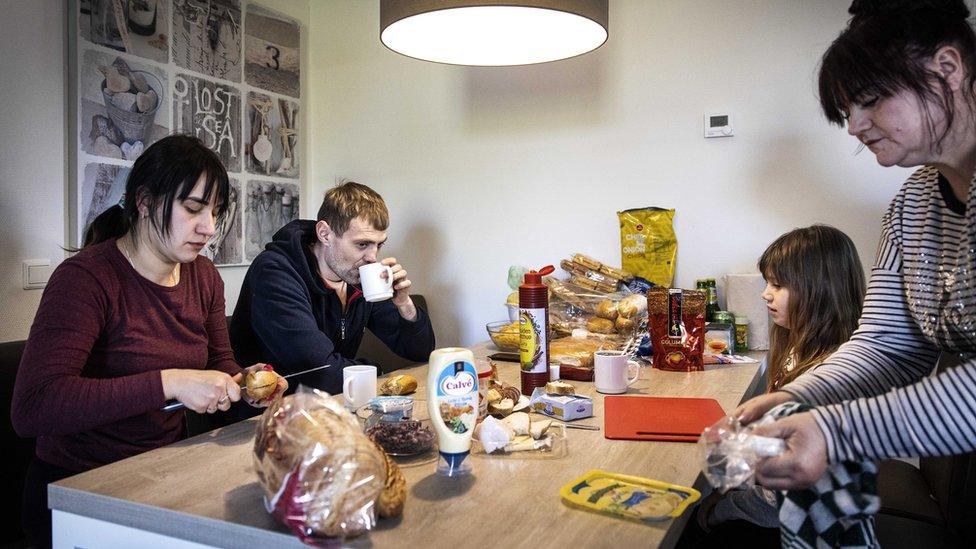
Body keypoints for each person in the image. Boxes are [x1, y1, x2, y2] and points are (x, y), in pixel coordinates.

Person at [734, 0, 976, 492]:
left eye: (870, 100)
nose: (854, 126)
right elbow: (886, 344)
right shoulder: (913, 204)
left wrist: (837, 429)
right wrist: (794, 397)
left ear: (946, 69)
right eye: (848, 111)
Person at [11, 135, 283, 549]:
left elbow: (221, 362)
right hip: (79, 490)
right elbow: (34, 407)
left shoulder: (203, 277)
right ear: (144, 201)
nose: (208, 228)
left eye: (215, 212)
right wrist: (171, 382)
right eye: (193, 208)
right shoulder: (86, 279)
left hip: (162, 472)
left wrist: (247, 384)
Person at [696, 225, 865, 534]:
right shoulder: (799, 352)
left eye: (778, 284)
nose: (765, 293)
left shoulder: (825, 382)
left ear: (820, 291)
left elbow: (777, 503)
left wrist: (723, 508)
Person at [229, 181, 436, 398]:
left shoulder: (358, 276)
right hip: (262, 415)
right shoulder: (275, 272)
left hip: (326, 406)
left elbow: (420, 351)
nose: (372, 257)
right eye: (362, 244)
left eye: (379, 244)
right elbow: (320, 372)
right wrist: (376, 370)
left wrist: (405, 305)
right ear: (325, 234)